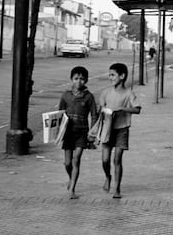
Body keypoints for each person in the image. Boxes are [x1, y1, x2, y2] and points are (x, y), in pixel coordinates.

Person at [98, 63, 141, 199]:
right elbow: (100, 108)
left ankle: (117, 188)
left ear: (122, 76)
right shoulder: (106, 93)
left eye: (113, 75)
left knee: (117, 159)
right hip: (107, 129)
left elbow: (137, 109)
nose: (110, 78)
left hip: (122, 129)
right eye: (109, 75)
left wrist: (122, 109)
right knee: (105, 160)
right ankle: (107, 176)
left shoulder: (128, 94)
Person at [59, 66, 98, 199]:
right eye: (76, 78)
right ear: (71, 79)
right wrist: (57, 132)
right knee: (68, 163)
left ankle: (72, 189)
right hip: (68, 132)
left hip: (82, 132)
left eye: (82, 79)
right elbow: (60, 114)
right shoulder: (66, 95)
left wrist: (92, 133)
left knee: (76, 160)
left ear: (86, 80)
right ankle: (71, 178)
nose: (79, 81)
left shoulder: (89, 97)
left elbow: (94, 115)